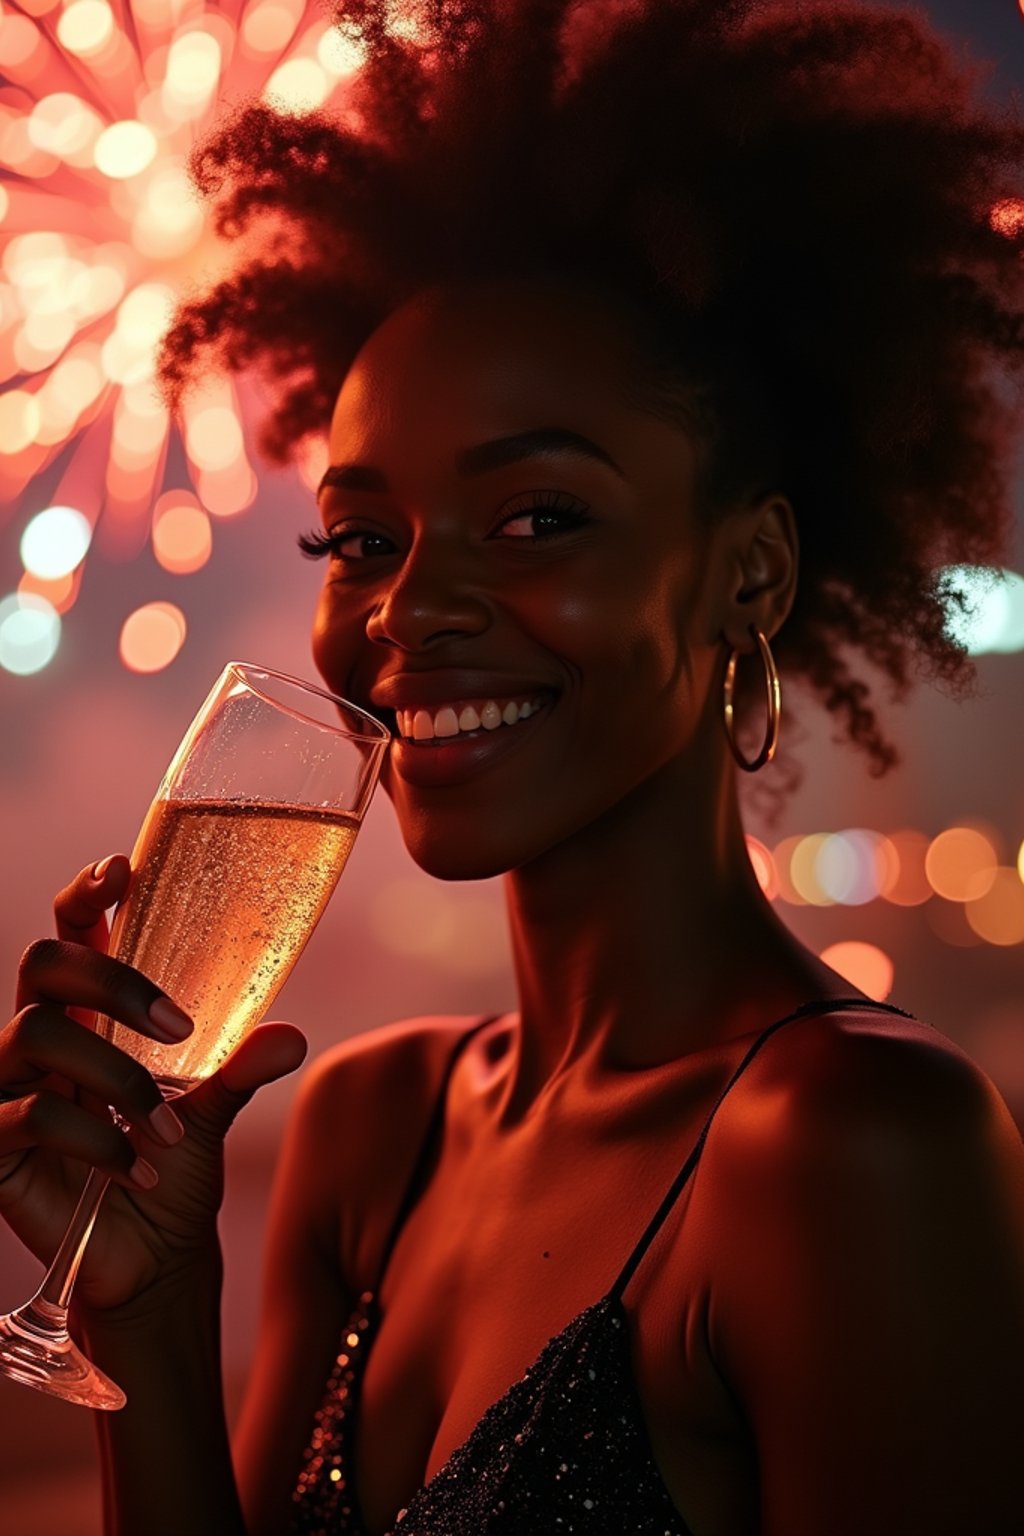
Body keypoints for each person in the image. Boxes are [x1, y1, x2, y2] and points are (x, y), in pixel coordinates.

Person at [3, 1, 1024, 1532]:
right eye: (363, 540)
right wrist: (142, 1314)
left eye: (540, 517)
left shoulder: (856, 1148)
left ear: (748, 576)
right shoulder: (368, 1131)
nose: (409, 607)